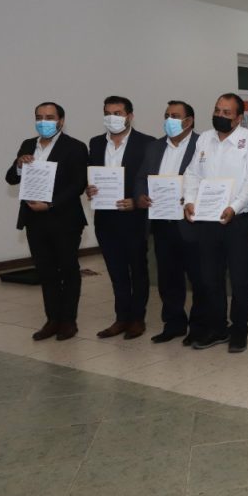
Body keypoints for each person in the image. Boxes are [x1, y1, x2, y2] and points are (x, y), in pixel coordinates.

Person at [182, 93, 248, 353]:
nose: (220, 115)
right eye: (218, 110)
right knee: (210, 278)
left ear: (239, 118)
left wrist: (234, 207)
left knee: (239, 278)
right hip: (207, 218)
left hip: (238, 219)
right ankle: (217, 328)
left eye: (227, 112)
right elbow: (192, 173)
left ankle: (239, 329)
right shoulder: (204, 138)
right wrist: (189, 201)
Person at [5, 102, 88, 341]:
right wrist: (19, 165)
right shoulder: (27, 144)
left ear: (61, 121)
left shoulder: (75, 147)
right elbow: (11, 178)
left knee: (68, 270)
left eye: (50, 117)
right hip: (34, 220)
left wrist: (50, 204)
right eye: (39, 117)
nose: (44, 122)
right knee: (46, 271)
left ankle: (68, 321)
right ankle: (52, 319)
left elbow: (78, 184)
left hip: (65, 219)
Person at [87, 96, 155, 340]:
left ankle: (137, 319)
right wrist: (89, 189)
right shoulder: (96, 143)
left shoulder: (147, 143)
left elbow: (152, 181)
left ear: (130, 116)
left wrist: (136, 201)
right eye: (108, 113)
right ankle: (121, 318)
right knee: (116, 272)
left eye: (117, 113)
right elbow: (91, 176)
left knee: (137, 270)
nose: (112, 118)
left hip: (134, 218)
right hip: (105, 218)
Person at [135, 100, 202, 344]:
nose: (169, 120)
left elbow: (210, 180)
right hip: (162, 223)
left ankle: (198, 326)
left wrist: (192, 198)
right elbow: (141, 178)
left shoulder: (202, 145)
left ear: (189, 121)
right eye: (166, 115)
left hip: (191, 223)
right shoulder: (154, 147)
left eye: (175, 115)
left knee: (198, 278)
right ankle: (174, 323)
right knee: (168, 277)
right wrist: (140, 196)